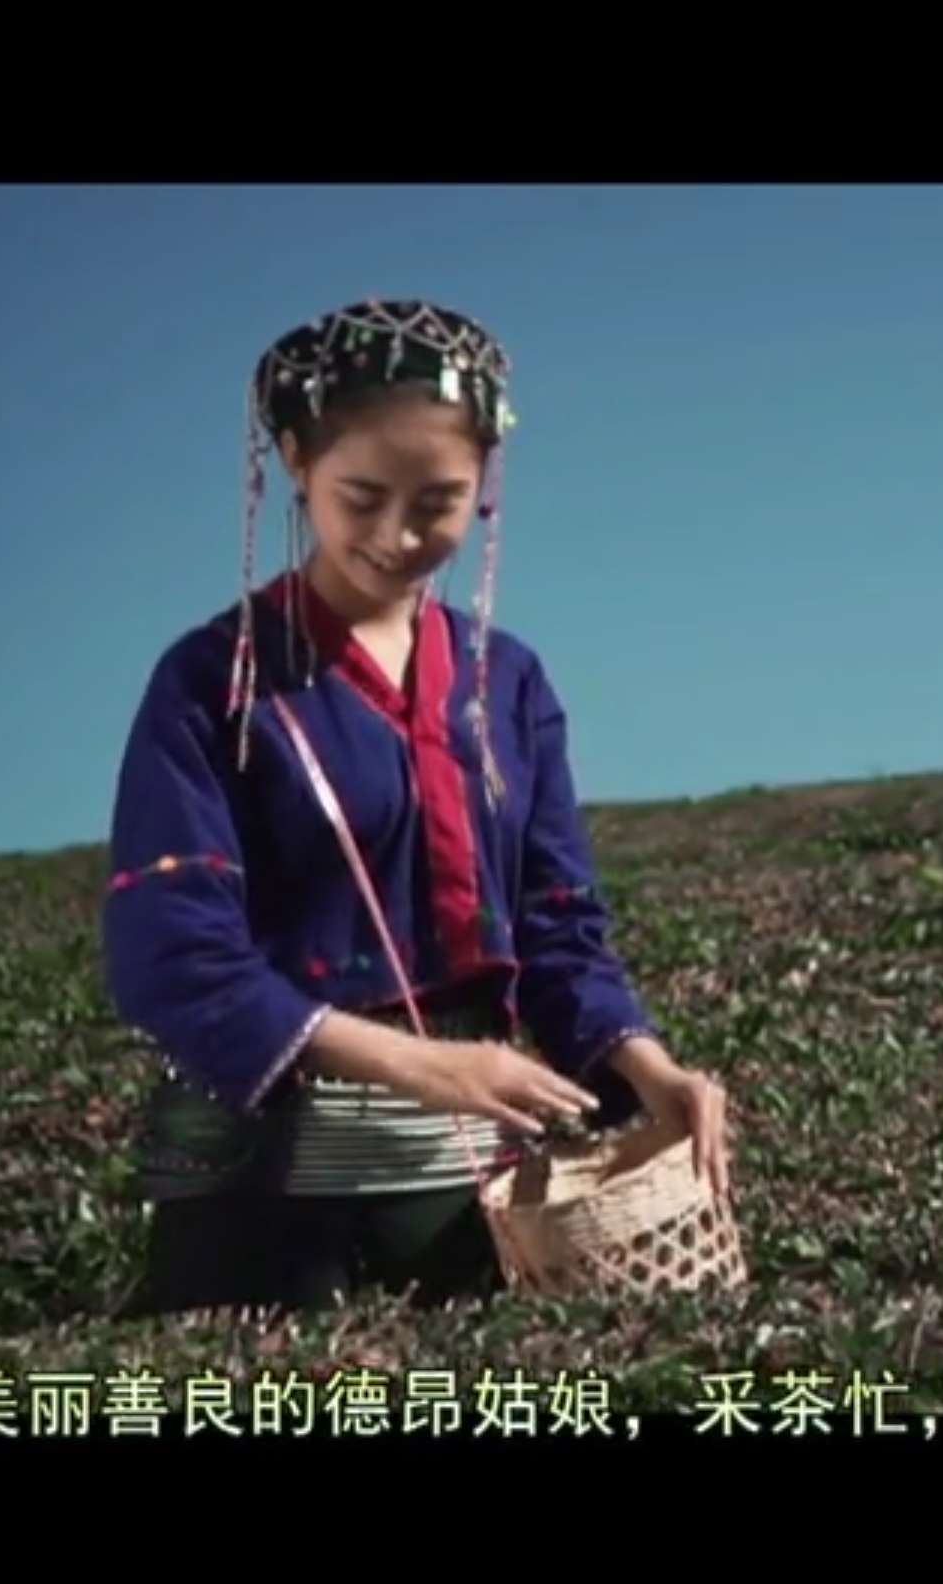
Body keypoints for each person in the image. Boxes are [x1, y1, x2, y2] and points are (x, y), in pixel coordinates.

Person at [102, 295, 729, 1317]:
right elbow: (169, 949)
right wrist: (421, 1065)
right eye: (361, 496)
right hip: (257, 1184)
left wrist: (651, 1069)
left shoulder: (509, 683)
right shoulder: (211, 680)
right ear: (297, 463)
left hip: (467, 1179)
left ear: (486, 485)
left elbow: (558, 927)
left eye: (438, 499)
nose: (398, 535)